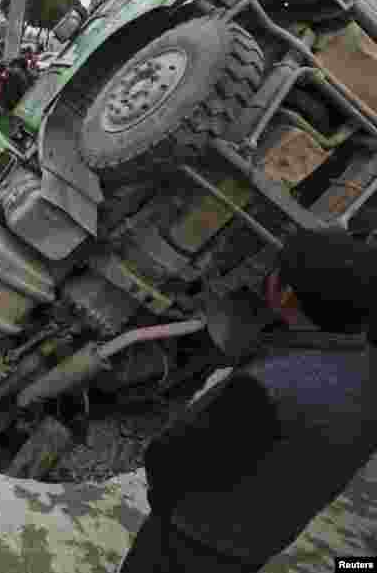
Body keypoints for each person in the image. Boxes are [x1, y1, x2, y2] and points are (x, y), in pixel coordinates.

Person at [119, 229, 377, 573]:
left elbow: (172, 462)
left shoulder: (267, 388)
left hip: (190, 542)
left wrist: (164, 500)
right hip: (260, 542)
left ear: (285, 296)